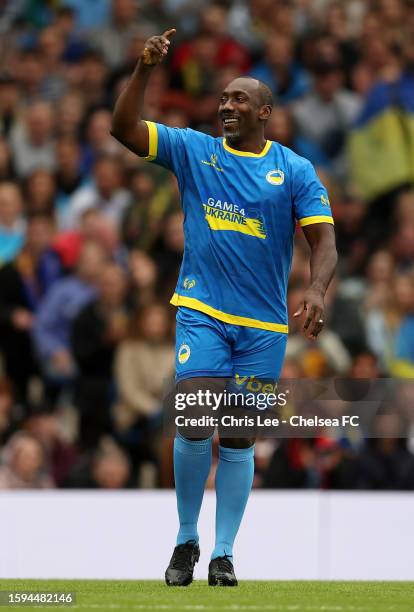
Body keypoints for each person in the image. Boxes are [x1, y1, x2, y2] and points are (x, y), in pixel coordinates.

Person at [111, 29, 337, 587]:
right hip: (202, 311)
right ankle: (187, 538)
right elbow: (123, 129)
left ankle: (224, 553)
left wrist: (315, 290)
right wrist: (143, 71)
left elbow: (323, 240)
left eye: (239, 99)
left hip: (263, 328)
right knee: (193, 420)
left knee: (237, 436)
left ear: (264, 111)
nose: (227, 106)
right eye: (222, 100)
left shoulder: (296, 170)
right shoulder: (194, 150)